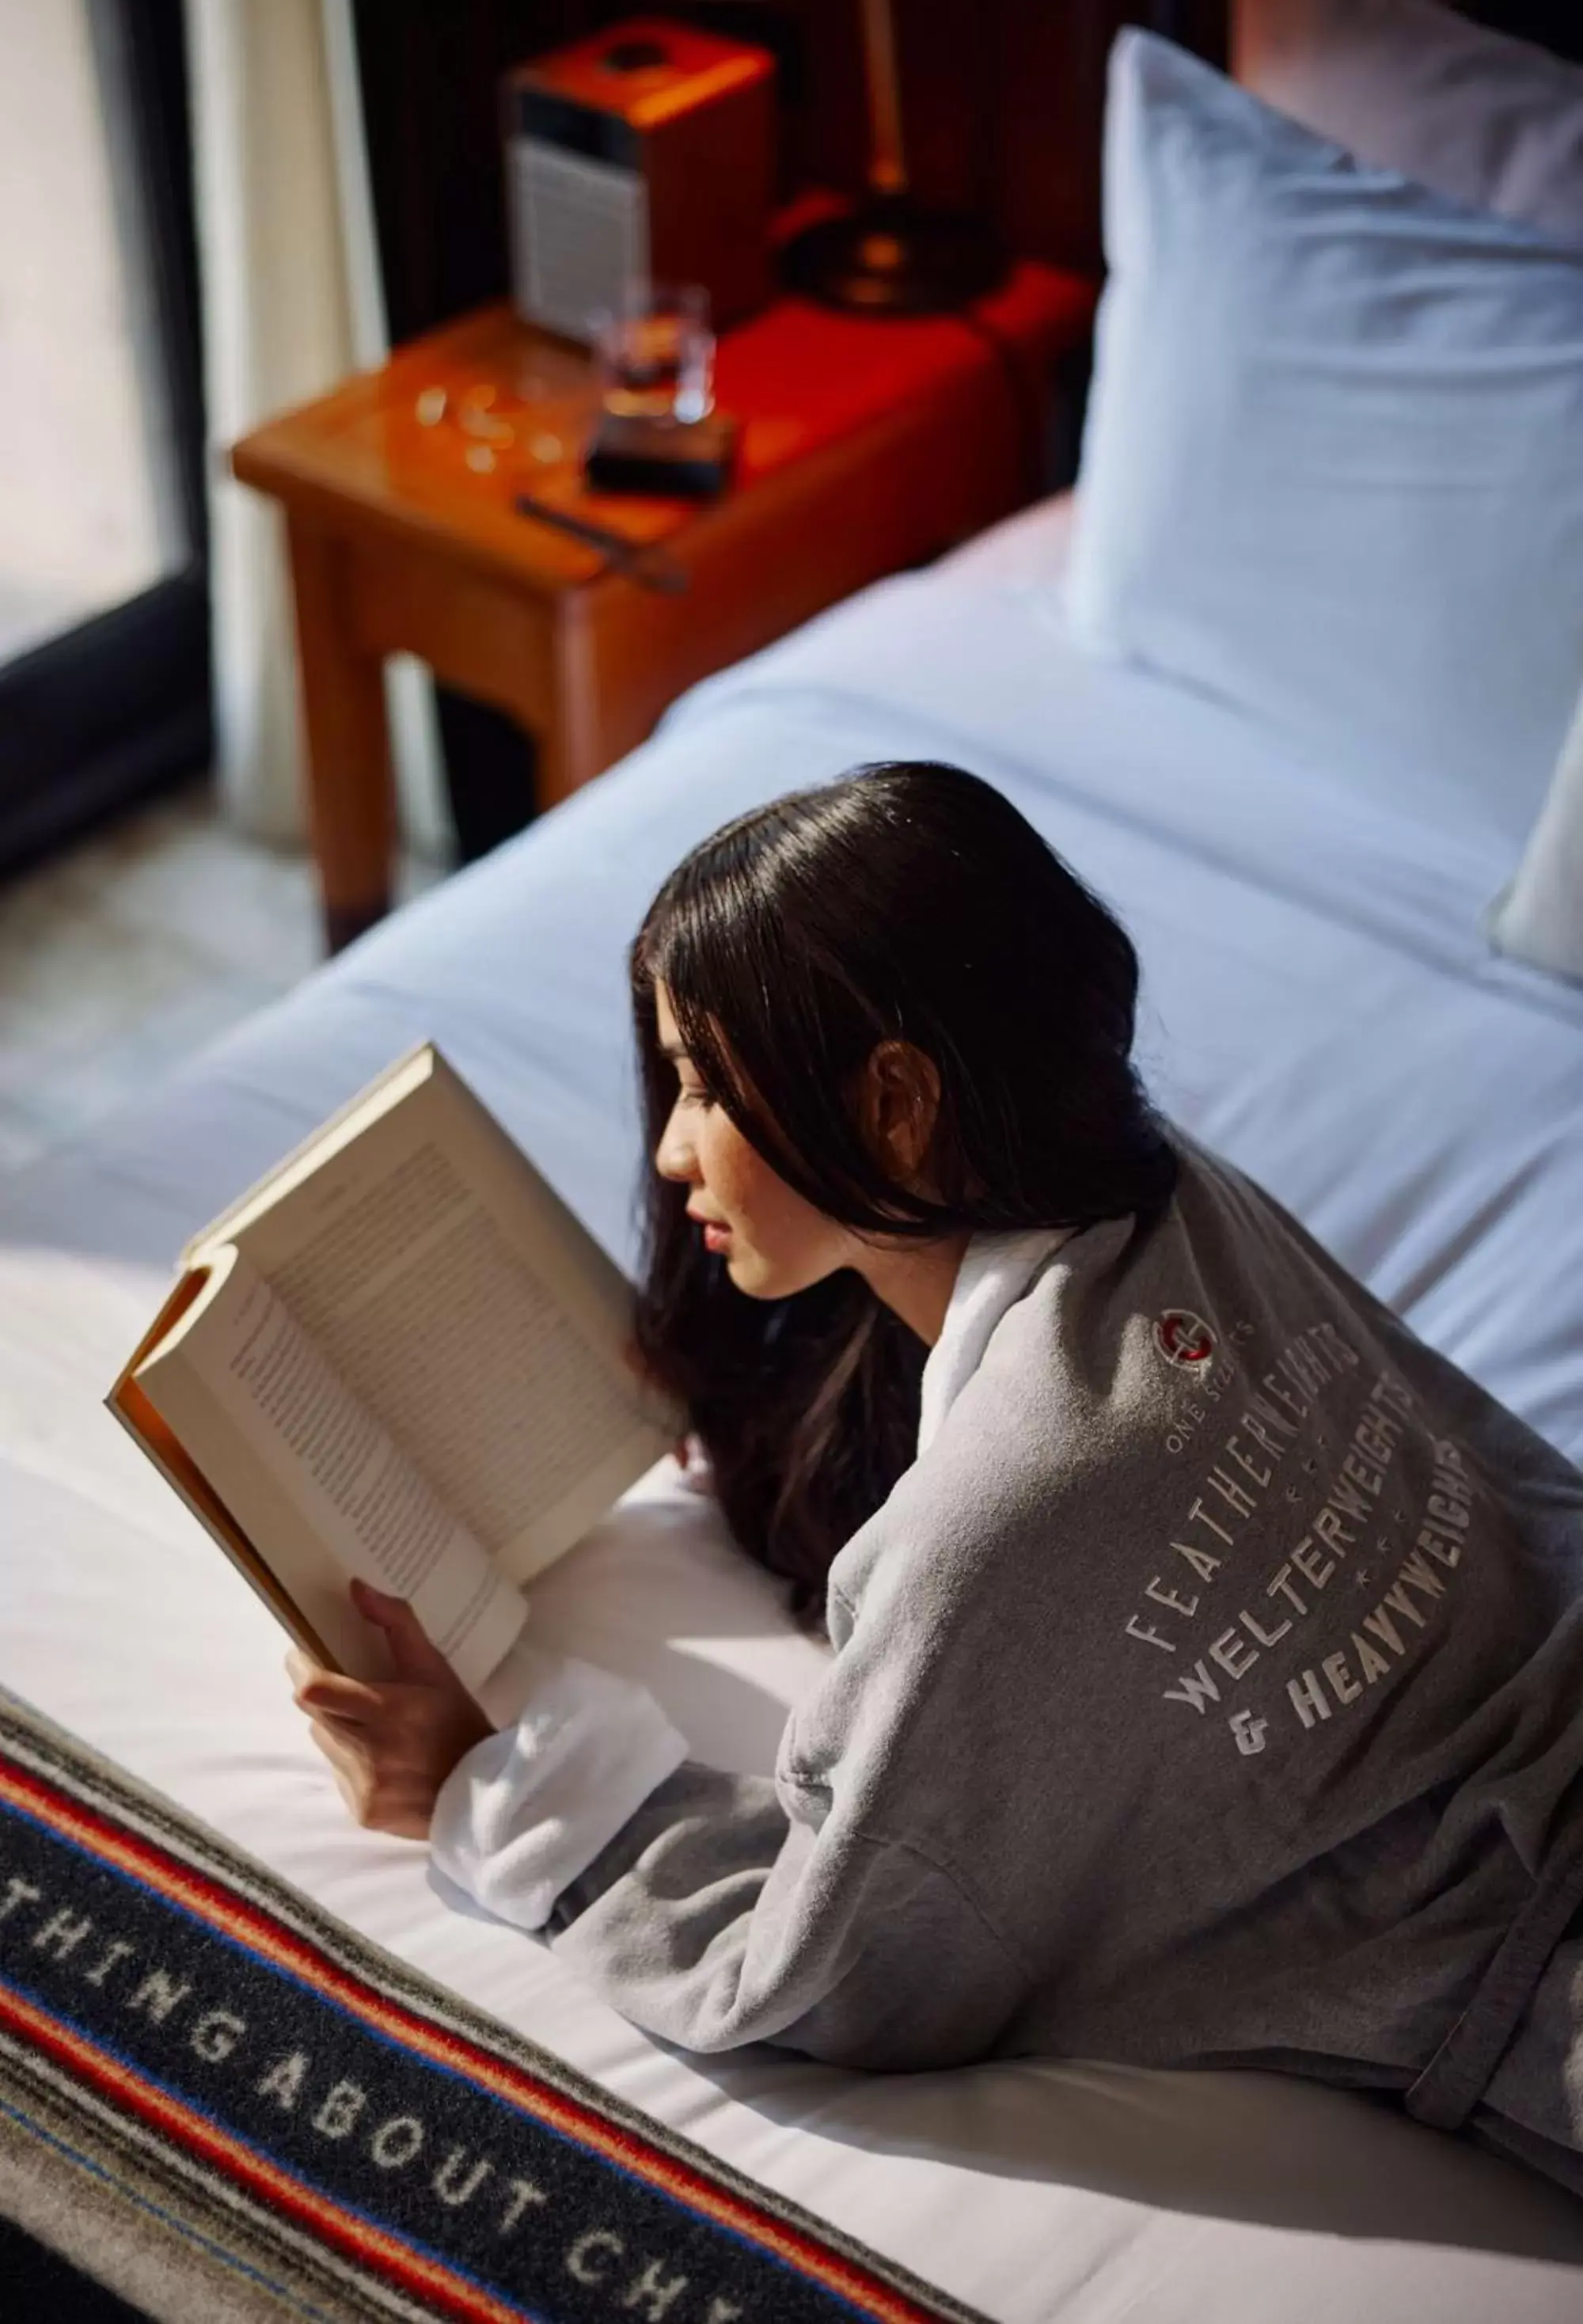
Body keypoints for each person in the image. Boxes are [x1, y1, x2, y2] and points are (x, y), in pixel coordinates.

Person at [290, 761, 1583, 2190]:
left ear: (898, 1104)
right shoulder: (1182, 1199)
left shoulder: (1009, 1509)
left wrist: (489, 1778)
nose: (669, 1150)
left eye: (707, 1088)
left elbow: (822, 1969)